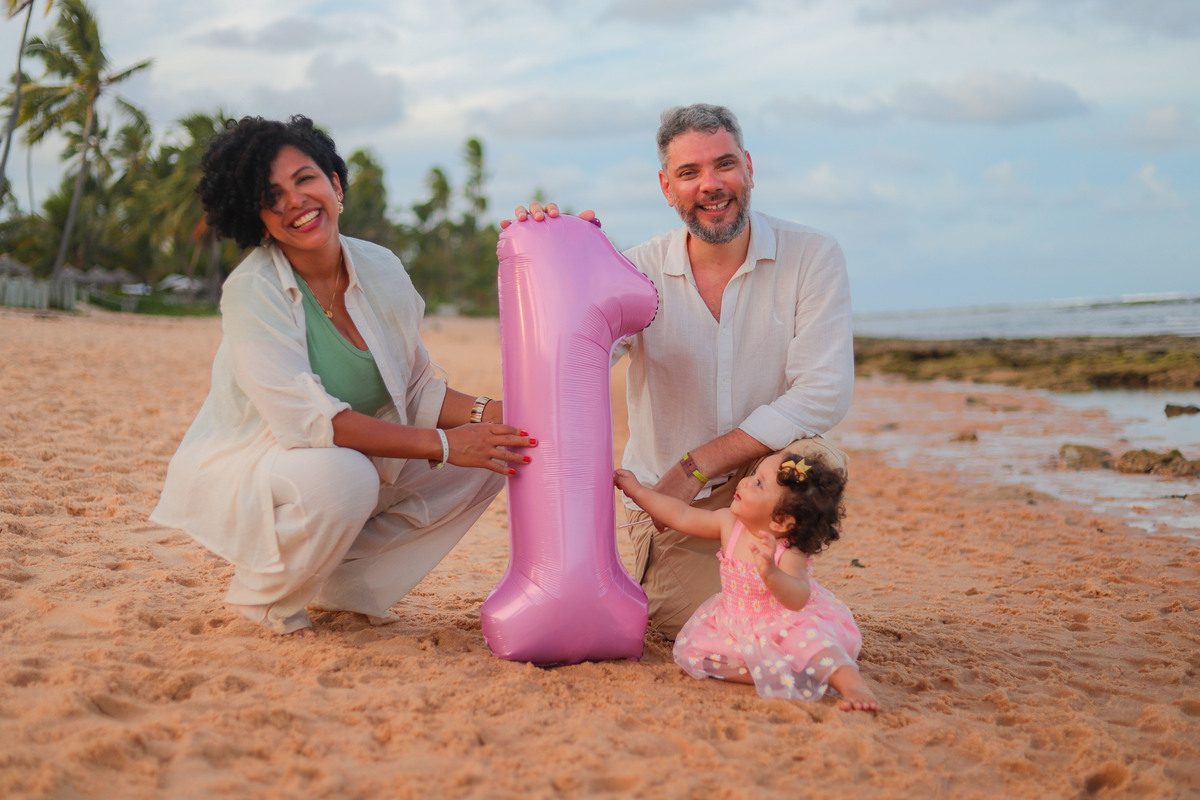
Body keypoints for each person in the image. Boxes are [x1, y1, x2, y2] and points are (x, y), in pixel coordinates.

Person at [150, 115, 535, 637]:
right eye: (270, 195)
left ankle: (347, 588)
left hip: (342, 460)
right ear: (255, 217)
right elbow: (310, 424)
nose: (293, 201)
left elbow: (416, 385)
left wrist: (490, 414)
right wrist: (445, 444)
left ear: (334, 183)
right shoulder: (253, 292)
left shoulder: (379, 267)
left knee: (495, 451)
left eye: (304, 179)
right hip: (270, 462)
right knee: (347, 477)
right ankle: (265, 599)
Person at [508, 103, 853, 639]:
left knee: (817, 459)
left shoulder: (812, 255)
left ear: (750, 168)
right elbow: (577, 356)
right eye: (689, 173)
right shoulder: (637, 270)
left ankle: (788, 571)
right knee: (683, 625)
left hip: (757, 482)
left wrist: (700, 464)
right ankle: (742, 580)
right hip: (666, 498)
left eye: (724, 165)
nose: (711, 185)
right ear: (667, 188)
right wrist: (556, 259)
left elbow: (824, 393)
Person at [614, 452, 876, 710]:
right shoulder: (729, 522)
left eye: (759, 483)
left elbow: (798, 598)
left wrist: (771, 573)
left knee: (815, 645)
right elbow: (680, 515)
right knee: (698, 655)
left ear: (782, 521)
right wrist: (638, 492)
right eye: (754, 475)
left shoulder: (787, 549)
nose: (746, 482)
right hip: (735, 621)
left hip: (784, 621)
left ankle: (852, 684)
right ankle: (776, 670)